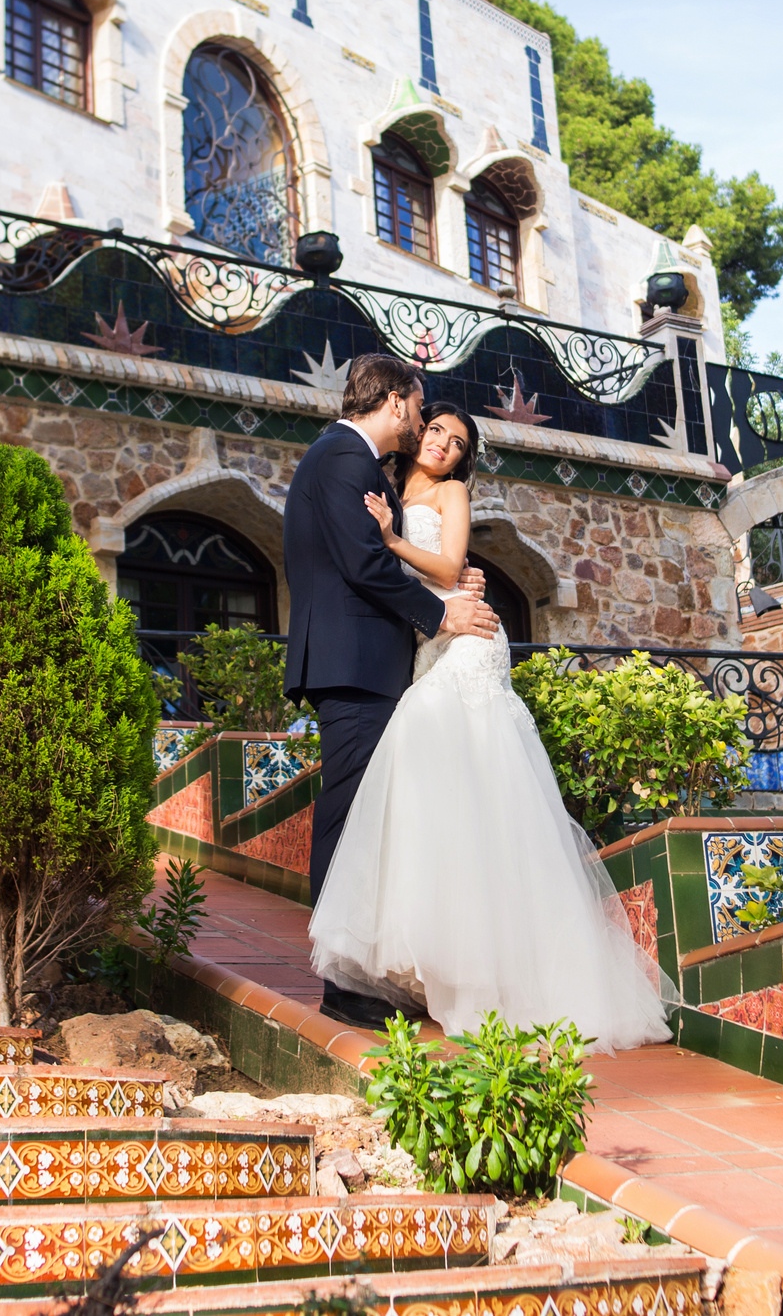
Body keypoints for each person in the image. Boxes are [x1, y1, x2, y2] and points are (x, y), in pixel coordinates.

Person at [306, 400, 676, 1048]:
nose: (443, 445)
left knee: (467, 784)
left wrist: (391, 540)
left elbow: (451, 568)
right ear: (419, 431)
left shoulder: (449, 493)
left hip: (466, 641)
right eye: (437, 430)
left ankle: (486, 971)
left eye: (458, 442)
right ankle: (437, 959)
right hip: (426, 643)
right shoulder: (383, 484)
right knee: (439, 800)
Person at [282, 355, 500, 1031]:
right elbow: (364, 562)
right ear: (399, 401)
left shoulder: (353, 462)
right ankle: (342, 980)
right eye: (421, 408)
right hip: (353, 665)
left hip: (365, 664)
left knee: (368, 818)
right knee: (349, 819)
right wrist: (441, 614)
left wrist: (454, 583)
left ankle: (363, 970)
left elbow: (392, 556)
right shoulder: (344, 458)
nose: (424, 423)